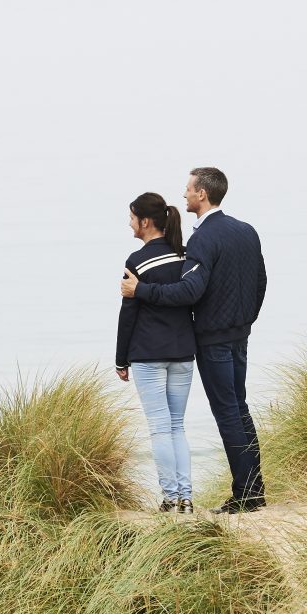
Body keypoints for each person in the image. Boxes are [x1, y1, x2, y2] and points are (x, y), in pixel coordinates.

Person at [120, 167, 266, 512]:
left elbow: (189, 290)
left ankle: (246, 496)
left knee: (227, 413)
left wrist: (141, 289)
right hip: (239, 334)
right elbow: (260, 282)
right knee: (240, 410)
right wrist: (246, 321)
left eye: (188, 189)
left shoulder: (203, 239)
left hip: (214, 339)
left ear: (202, 194)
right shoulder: (246, 231)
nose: (184, 195)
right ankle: (254, 491)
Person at [115, 192, 198, 512]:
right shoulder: (185, 256)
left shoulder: (136, 262)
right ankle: (186, 497)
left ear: (145, 222)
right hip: (182, 351)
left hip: (148, 354)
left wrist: (121, 359)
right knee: (177, 425)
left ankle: (170, 498)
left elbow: (128, 314)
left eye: (132, 217)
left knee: (160, 428)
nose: (130, 223)